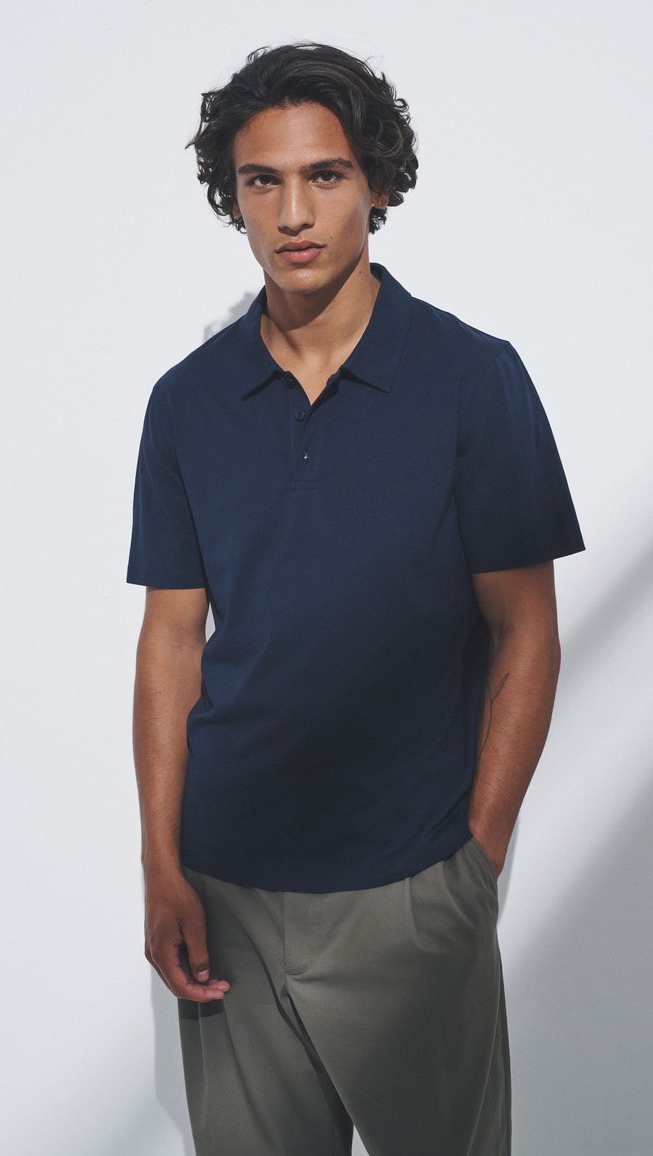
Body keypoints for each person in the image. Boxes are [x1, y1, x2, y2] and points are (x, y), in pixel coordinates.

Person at [126, 42, 584, 1156]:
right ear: (231, 194)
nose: (292, 213)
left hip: (408, 886)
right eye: (262, 181)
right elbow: (172, 641)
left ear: (375, 182)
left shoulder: (472, 378)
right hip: (227, 888)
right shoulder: (187, 403)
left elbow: (525, 630)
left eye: (324, 175)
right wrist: (161, 864)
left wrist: (471, 866)